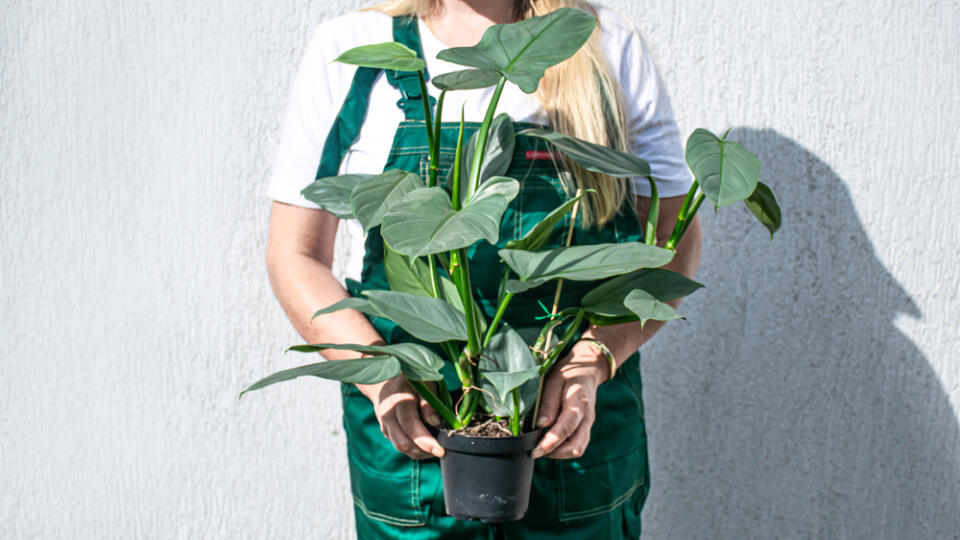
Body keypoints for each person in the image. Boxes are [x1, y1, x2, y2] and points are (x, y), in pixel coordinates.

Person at [265, 0, 702, 537]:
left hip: (570, 435)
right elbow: (295, 254)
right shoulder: (354, 48)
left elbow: (671, 241)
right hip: (417, 434)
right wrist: (385, 380)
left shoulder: (602, 45)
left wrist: (592, 362)